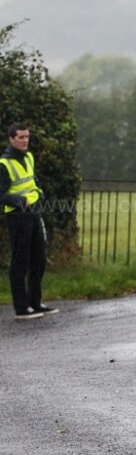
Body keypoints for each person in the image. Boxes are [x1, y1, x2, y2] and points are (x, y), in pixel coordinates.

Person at [0, 123, 59, 320]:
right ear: (11, 139)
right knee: (20, 261)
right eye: (21, 137)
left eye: (27, 137)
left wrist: (39, 194)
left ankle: (35, 302)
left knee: (39, 259)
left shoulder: (29, 157)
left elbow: (32, 181)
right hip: (17, 217)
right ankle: (21, 308)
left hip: (34, 213)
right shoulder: (4, 163)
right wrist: (20, 201)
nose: (25, 140)